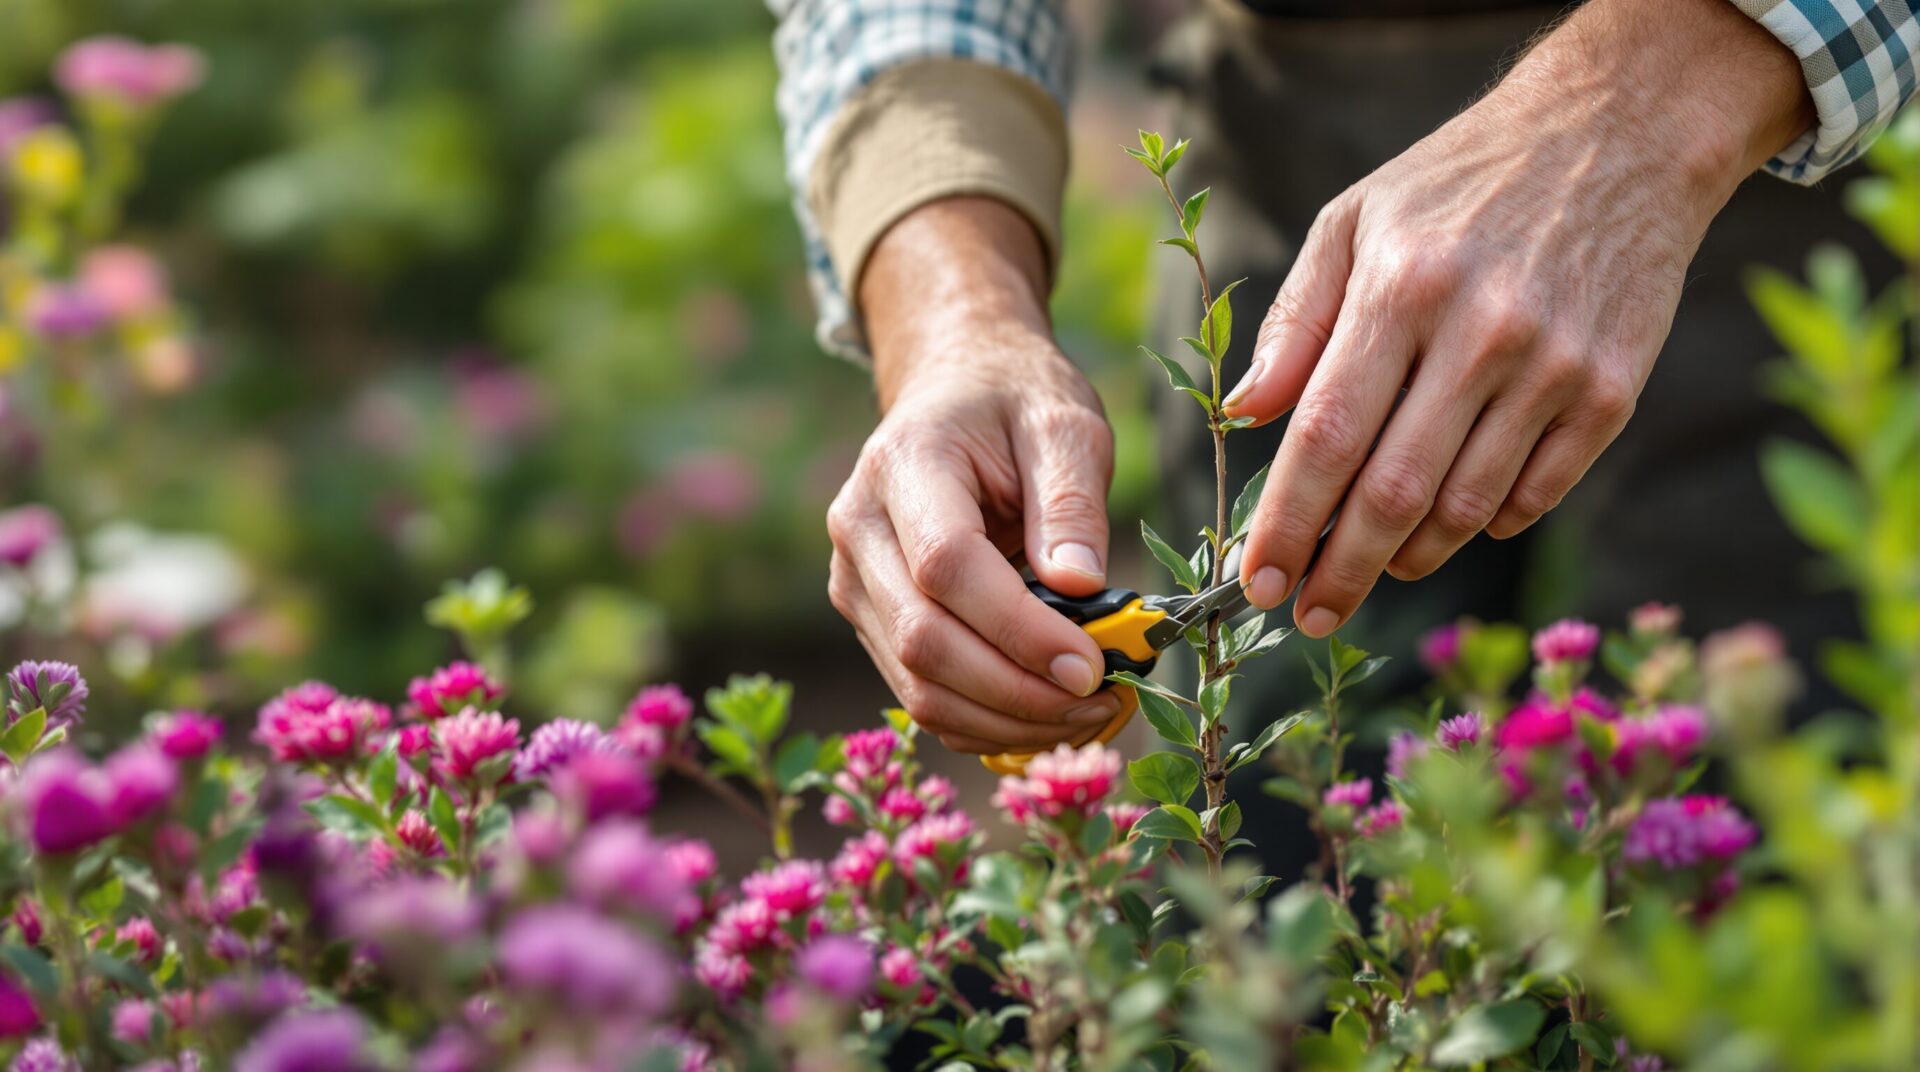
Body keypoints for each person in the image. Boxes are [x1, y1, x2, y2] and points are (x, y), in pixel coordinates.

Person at [769, 0, 1918, 755]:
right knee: (1285, 874)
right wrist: (954, 314)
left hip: (1813, 137)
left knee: (1761, 810)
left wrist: (1641, 103)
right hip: (1287, 130)